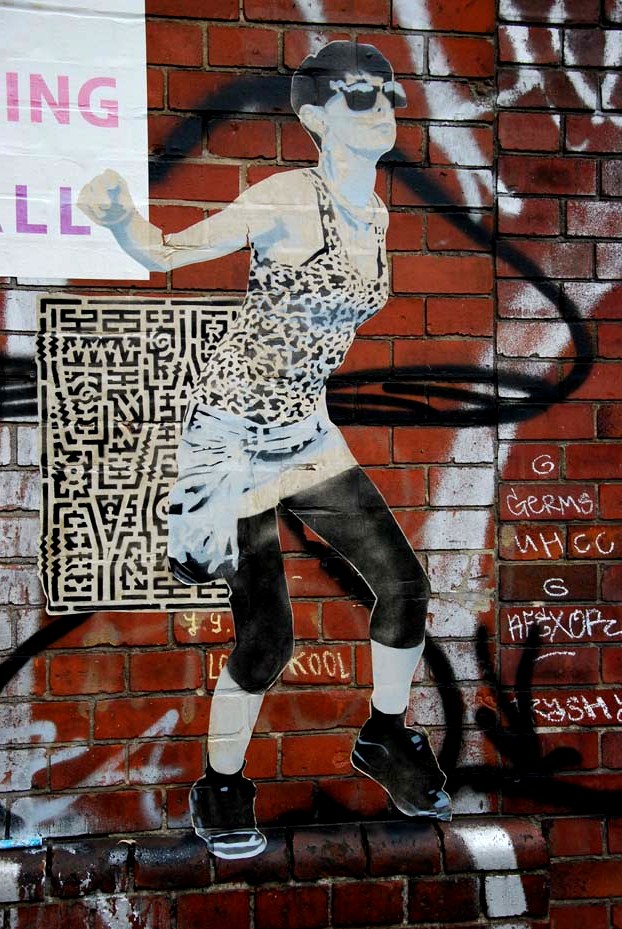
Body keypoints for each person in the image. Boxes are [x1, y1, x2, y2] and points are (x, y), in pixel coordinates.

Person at [78, 40, 451, 861]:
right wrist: (117, 218)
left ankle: (384, 737)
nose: (382, 108)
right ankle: (221, 787)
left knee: (403, 585)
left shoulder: (375, 213)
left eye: (388, 93)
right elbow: (168, 250)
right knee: (267, 635)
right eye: (359, 96)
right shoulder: (285, 198)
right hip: (234, 439)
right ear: (316, 115)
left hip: (304, 429)